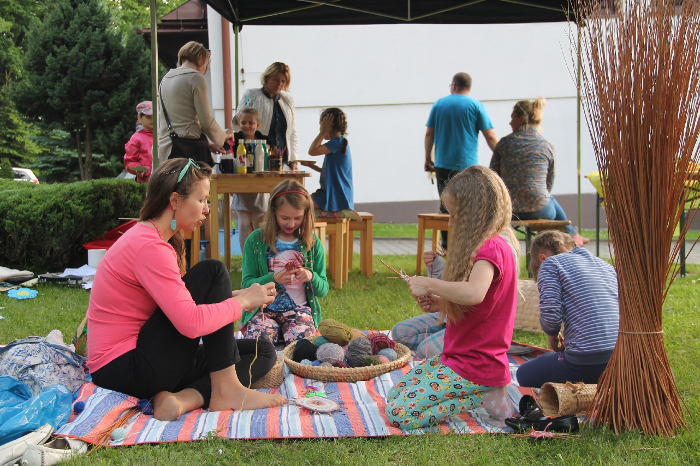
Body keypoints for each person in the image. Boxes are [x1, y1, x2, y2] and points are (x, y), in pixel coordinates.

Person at [87, 158, 286, 422]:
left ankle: (183, 399)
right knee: (213, 271)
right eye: (201, 200)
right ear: (175, 200)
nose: (207, 209)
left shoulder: (150, 238)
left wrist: (239, 297)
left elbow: (176, 303)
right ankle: (227, 390)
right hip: (125, 366)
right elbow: (190, 323)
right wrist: (243, 303)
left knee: (262, 351)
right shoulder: (150, 247)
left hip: (139, 360)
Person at [385, 165, 519, 431]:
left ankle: (482, 394)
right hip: (459, 356)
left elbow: (474, 293)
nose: (451, 223)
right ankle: (484, 391)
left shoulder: (492, 247)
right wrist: (441, 303)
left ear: (474, 214)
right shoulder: (490, 246)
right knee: (395, 394)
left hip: (476, 365)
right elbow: (483, 303)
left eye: (455, 215)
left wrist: (429, 283)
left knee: (399, 413)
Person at [515, 230, 619, 387]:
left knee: (524, 373)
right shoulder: (605, 265)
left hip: (585, 361)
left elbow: (551, 313)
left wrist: (552, 338)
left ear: (542, 258)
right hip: (620, 359)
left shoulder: (550, 264)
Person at [489, 97, 589, 246]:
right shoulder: (547, 145)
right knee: (549, 198)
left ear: (521, 119)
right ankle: (572, 235)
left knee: (548, 197)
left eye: (512, 118)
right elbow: (549, 183)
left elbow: (493, 178)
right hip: (540, 209)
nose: (510, 123)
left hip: (509, 210)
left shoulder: (503, 144)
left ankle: (573, 235)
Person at [241, 180, 329, 345]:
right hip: (263, 311)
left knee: (302, 347)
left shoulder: (312, 243)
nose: (291, 224)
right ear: (274, 212)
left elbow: (323, 290)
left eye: (298, 218)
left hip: (299, 312)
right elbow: (246, 285)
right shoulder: (255, 240)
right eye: (285, 218)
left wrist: (310, 276)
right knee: (256, 346)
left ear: (306, 215)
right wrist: (273, 278)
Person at [424, 72, 499, 249]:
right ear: (468, 87)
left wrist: (428, 158)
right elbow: (490, 135)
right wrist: (501, 154)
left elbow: (429, 133)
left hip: (443, 164)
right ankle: (467, 243)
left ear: (454, 85)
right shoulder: (476, 106)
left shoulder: (439, 104)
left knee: (446, 205)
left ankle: (446, 243)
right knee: (468, 205)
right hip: (467, 165)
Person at [158, 41, 233, 164]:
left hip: (167, 151)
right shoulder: (196, 77)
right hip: (190, 152)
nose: (204, 71)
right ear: (202, 61)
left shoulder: (165, 79)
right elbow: (206, 121)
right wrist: (223, 136)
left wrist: (208, 145)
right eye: (206, 67)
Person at [234, 62, 298, 169]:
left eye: (283, 81)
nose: (279, 84)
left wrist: (294, 160)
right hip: (257, 159)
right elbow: (238, 121)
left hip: (282, 160)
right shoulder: (252, 95)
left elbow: (292, 132)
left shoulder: (288, 101)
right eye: (276, 80)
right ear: (267, 78)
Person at [391, 249, 446, 359]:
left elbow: (474, 296)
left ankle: (466, 345)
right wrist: (436, 266)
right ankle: (445, 337)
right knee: (400, 333)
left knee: (425, 350)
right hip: (451, 316)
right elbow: (451, 282)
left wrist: (444, 304)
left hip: (471, 324)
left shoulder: (480, 256)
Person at [307, 108, 360, 221]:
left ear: (328, 126)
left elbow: (312, 151)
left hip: (335, 196)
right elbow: (332, 171)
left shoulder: (337, 142)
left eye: (321, 125)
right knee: (303, 206)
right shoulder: (339, 142)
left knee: (302, 205)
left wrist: (323, 132)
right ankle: (340, 212)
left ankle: (341, 213)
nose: (320, 128)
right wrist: (312, 166)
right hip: (331, 194)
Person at [231, 107, 270, 254]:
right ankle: (245, 257)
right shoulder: (234, 140)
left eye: (251, 123)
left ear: (257, 125)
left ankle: (260, 256)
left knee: (259, 224)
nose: (247, 126)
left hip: (259, 187)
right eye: (243, 122)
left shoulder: (264, 141)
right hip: (241, 186)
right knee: (243, 224)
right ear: (238, 123)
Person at [124, 101, 154, 183]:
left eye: (154, 116)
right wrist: (138, 169)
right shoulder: (136, 138)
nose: (152, 120)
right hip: (145, 181)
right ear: (140, 118)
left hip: (163, 179)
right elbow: (130, 161)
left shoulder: (162, 135)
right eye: (148, 117)